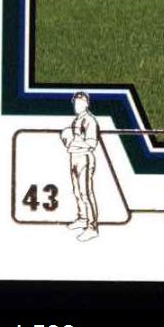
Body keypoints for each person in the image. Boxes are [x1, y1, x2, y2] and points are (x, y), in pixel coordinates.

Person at [60, 91, 99, 240]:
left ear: (86, 104)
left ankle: (92, 227)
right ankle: (82, 219)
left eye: (80, 103)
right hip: (74, 157)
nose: (77, 105)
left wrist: (72, 143)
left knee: (86, 193)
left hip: (84, 158)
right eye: (75, 103)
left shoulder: (89, 120)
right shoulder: (76, 120)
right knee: (77, 191)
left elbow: (91, 143)